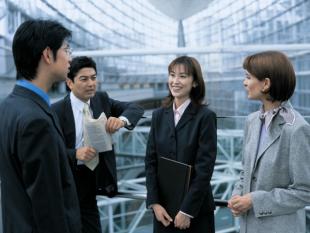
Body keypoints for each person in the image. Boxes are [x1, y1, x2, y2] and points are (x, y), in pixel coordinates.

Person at [0, 19, 81, 233]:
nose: (70, 57)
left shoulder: (9, 107)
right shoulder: (36, 120)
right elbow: (49, 208)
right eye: (66, 49)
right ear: (47, 55)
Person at [52, 56, 144, 233]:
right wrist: (75, 154)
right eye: (84, 79)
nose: (91, 83)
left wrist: (122, 120)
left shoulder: (101, 99)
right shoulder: (56, 111)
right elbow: (49, 151)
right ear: (70, 83)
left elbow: (135, 108)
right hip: (67, 180)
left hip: (93, 180)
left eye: (93, 78)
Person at [228, 51, 310, 233]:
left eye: (248, 77)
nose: (244, 82)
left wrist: (255, 200)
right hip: (249, 226)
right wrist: (237, 196)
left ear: (265, 84)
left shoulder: (297, 128)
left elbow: (305, 192)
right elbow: (246, 171)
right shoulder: (251, 120)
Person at [145, 56, 217, 233]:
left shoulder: (205, 117)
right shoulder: (159, 116)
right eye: (172, 75)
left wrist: (187, 210)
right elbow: (150, 161)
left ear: (194, 83)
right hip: (163, 211)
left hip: (195, 213)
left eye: (183, 76)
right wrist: (154, 203)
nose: (175, 81)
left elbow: (204, 169)